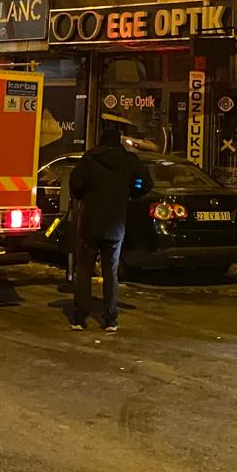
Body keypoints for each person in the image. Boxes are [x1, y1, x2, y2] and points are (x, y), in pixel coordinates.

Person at [69, 114, 152, 332]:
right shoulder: (129, 161)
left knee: (84, 270)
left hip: (89, 223)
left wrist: (84, 195)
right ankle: (110, 319)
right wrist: (131, 193)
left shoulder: (89, 158)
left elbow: (75, 185)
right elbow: (145, 183)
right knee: (110, 272)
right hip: (115, 225)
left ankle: (79, 318)